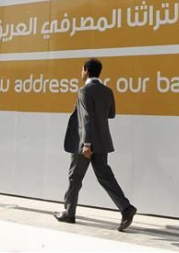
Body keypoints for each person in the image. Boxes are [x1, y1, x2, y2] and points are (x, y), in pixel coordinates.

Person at [54, 58, 137, 231]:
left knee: (74, 177)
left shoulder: (84, 90)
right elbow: (111, 114)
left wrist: (87, 144)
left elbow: (86, 118)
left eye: (81, 69)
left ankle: (69, 213)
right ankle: (126, 208)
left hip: (86, 143)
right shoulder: (108, 91)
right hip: (102, 141)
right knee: (105, 176)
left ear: (86, 70)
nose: (81, 72)